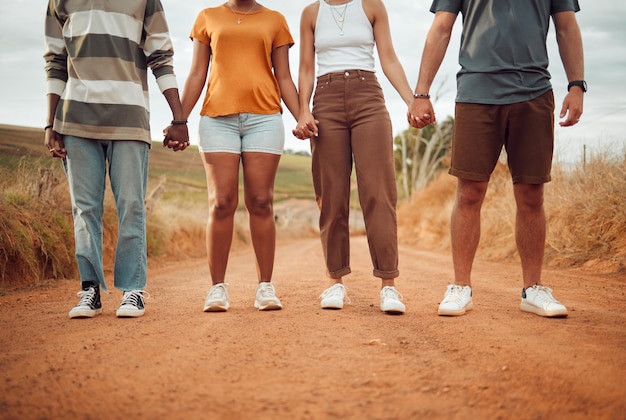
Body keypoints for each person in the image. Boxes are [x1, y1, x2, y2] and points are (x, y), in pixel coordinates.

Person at [408, 0, 585, 317]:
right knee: (469, 191)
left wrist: (577, 85)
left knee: (531, 193)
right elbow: (441, 27)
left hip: (534, 92)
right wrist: (421, 93)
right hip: (477, 92)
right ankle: (460, 287)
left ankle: (533, 289)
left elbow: (567, 26)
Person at [44, 0, 190, 319]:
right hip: (75, 119)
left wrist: (179, 119)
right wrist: (50, 123)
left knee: (132, 205)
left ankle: (133, 291)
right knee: (85, 209)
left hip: (130, 118)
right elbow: (56, 60)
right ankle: (90, 290)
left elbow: (161, 57)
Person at [173, 0, 300, 312]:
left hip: (265, 119)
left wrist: (302, 116)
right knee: (222, 202)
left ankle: (265, 287)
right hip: (217, 120)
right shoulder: (207, 17)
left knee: (260, 201)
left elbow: (283, 76)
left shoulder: (275, 20)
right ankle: (217, 289)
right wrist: (180, 119)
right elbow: (197, 73)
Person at [294, 0, 414, 314]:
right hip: (326, 99)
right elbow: (306, 68)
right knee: (331, 195)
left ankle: (389, 286)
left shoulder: (372, 6)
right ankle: (335, 282)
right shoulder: (310, 13)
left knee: (378, 192)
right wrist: (303, 110)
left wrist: (412, 100)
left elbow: (388, 58)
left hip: (368, 97)